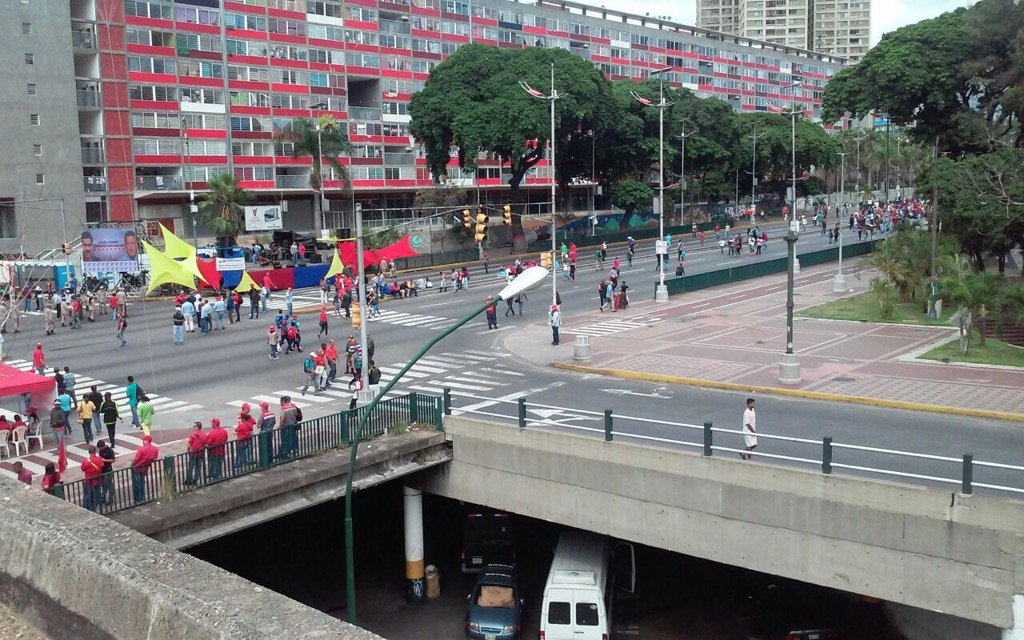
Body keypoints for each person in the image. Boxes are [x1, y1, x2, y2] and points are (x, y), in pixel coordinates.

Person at [130, 435, 159, 503]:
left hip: (137, 467)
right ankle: (142, 496)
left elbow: (136, 458)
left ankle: (138, 497)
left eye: (143, 440)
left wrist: (132, 465)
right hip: (145, 467)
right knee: (142, 482)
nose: (143, 441)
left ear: (146, 441)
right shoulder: (155, 449)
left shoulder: (141, 449)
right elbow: (155, 458)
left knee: (137, 483)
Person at [81, 445, 104, 511]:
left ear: (89, 452)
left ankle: (86, 507)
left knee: (87, 495)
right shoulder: (99, 459)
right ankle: (94, 507)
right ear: (95, 451)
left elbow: (82, 468)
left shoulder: (86, 461)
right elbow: (101, 466)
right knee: (96, 494)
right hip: (97, 480)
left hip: (88, 481)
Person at [185, 422, 206, 486]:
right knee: (198, 467)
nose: (193, 427)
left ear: (197, 427)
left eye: (194, 426)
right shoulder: (204, 434)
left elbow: (189, 444)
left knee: (191, 466)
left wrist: (188, 450)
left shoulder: (193, 435)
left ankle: (188, 480)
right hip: (200, 453)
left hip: (193, 453)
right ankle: (195, 479)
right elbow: (205, 442)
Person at [96, 439, 115, 505]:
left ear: (103, 446)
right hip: (102, 470)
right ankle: (103, 498)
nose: (100, 449)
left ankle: (111, 499)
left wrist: (104, 460)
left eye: (100, 448)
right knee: (103, 486)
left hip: (108, 470)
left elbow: (113, 460)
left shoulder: (110, 451)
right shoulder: (101, 451)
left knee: (109, 485)